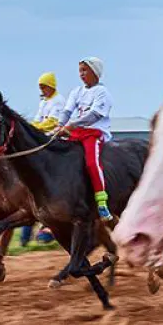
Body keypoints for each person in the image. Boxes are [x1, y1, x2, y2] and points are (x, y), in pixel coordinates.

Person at [57, 57, 114, 220]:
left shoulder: (102, 93)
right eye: (80, 70)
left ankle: (102, 202)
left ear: (95, 72)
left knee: (91, 162)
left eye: (85, 70)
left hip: (93, 133)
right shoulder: (77, 92)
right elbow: (67, 111)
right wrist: (59, 125)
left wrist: (70, 126)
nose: (81, 74)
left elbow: (94, 115)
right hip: (76, 131)